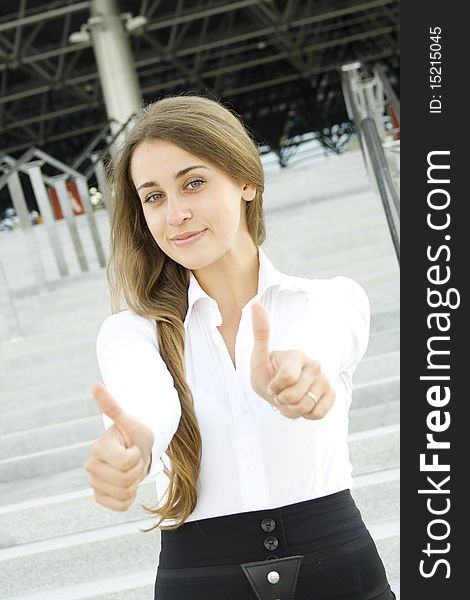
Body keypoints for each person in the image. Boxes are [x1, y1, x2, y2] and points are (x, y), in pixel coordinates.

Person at [84, 95, 396, 600]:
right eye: (154, 197)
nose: (177, 213)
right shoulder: (131, 331)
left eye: (194, 182)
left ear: (247, 180)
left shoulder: (331, 298)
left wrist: (300, 370)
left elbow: (320, 343)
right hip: (199, 582)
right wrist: (135, 440)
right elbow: (145, 397)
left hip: (342, 572)